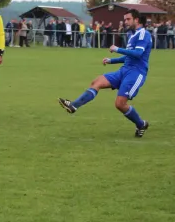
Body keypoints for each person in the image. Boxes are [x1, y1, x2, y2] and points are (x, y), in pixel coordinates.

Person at [58, 9, 151, 137]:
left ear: (136, 20)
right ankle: (74, 105)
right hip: (124, 70)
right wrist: (111, 60)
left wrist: (118, 49)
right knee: (97, 82)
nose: (125, 22)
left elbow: (138, 54)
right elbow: (130, 57)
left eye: (128, 19)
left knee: (120, 104)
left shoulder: (143, 34)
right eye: (125, 19)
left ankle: (141, 124)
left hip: (136, 74)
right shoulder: (132, 35)